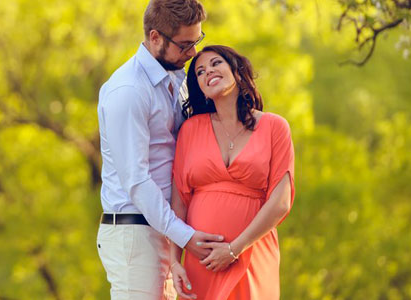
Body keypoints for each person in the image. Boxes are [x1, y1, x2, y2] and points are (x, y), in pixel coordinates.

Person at [96, 0, 225, 299]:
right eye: (184, 44)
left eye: (197, 41)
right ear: (155, 38)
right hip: (135, 232)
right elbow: (137, 181)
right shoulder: (128, 91)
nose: (193, 53)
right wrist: (185, 235)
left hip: (164, 229)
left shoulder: (176, 78)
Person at [169, 45, 296, 299]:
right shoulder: (190, 130)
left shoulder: (274, 127)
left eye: (216, 63)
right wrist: (174, 262)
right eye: (200, 72)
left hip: (252, 253)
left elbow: (280, 202)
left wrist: (234, 249)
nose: (209, 72)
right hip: (202, 260)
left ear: (236, 72)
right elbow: (179, 202)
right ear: (200, 88)